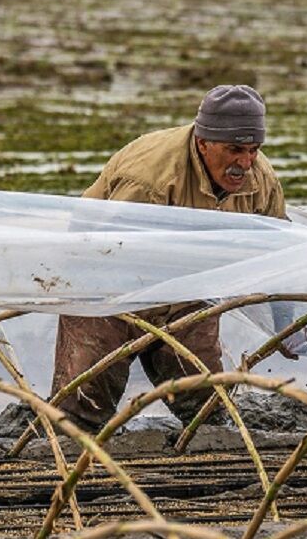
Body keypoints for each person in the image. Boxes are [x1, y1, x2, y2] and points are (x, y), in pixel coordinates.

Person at [51, 85, 290, 432]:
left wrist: (283, 323)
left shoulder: (260, 179)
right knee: (80, 415)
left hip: (186, 291)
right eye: (235, 149)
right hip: (108, 293)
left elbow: (279, 250)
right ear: (203, 142)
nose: (245, 162)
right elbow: (97, 249)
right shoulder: (150, 181)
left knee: (207, 411)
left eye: (254, 150)